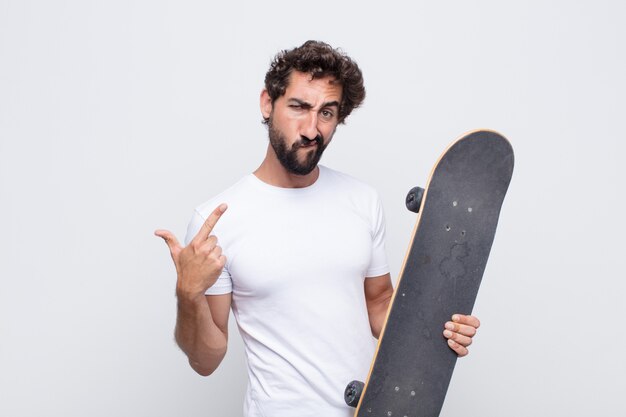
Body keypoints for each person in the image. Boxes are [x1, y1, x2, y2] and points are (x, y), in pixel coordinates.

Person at [155, 40, 480, 417]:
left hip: (370, 409)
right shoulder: (219, 218)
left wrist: (437, 325)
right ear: (267, 103)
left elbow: (378, 304)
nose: (312, 129)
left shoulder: (362, 200)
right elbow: (205, 360)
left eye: (327, 113)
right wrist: (188, 293)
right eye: (299, 107)